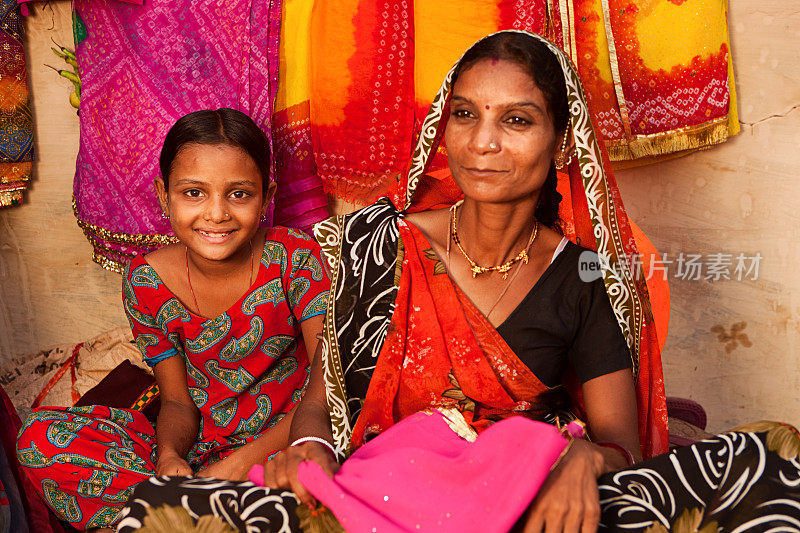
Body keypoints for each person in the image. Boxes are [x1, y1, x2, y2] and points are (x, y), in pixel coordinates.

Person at [119, 34, 800, 532]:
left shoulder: (583, 275)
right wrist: (308, 448)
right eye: (466, 114)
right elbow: (322, 401)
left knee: (773, 467)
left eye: (517, 120)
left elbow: (622, 440)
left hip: (524, 497)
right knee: (158, 514)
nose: (482, 142)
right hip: (378, 492)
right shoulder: (381, 243)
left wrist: (582, 459)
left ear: (563, 144)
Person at [15, 108, 330, 530]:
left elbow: (330, 389)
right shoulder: (146, 280)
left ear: (267, 196)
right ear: (165, 195)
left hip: (291, 440)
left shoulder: (296, 260)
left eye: (239, 193)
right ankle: (194, 507)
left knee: (320, 490)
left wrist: (233, 470)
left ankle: (186, 511)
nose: (216, 214)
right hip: (205, 445)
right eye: (193, 193)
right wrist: (169, 458)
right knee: (39, 438)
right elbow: (179, 402)